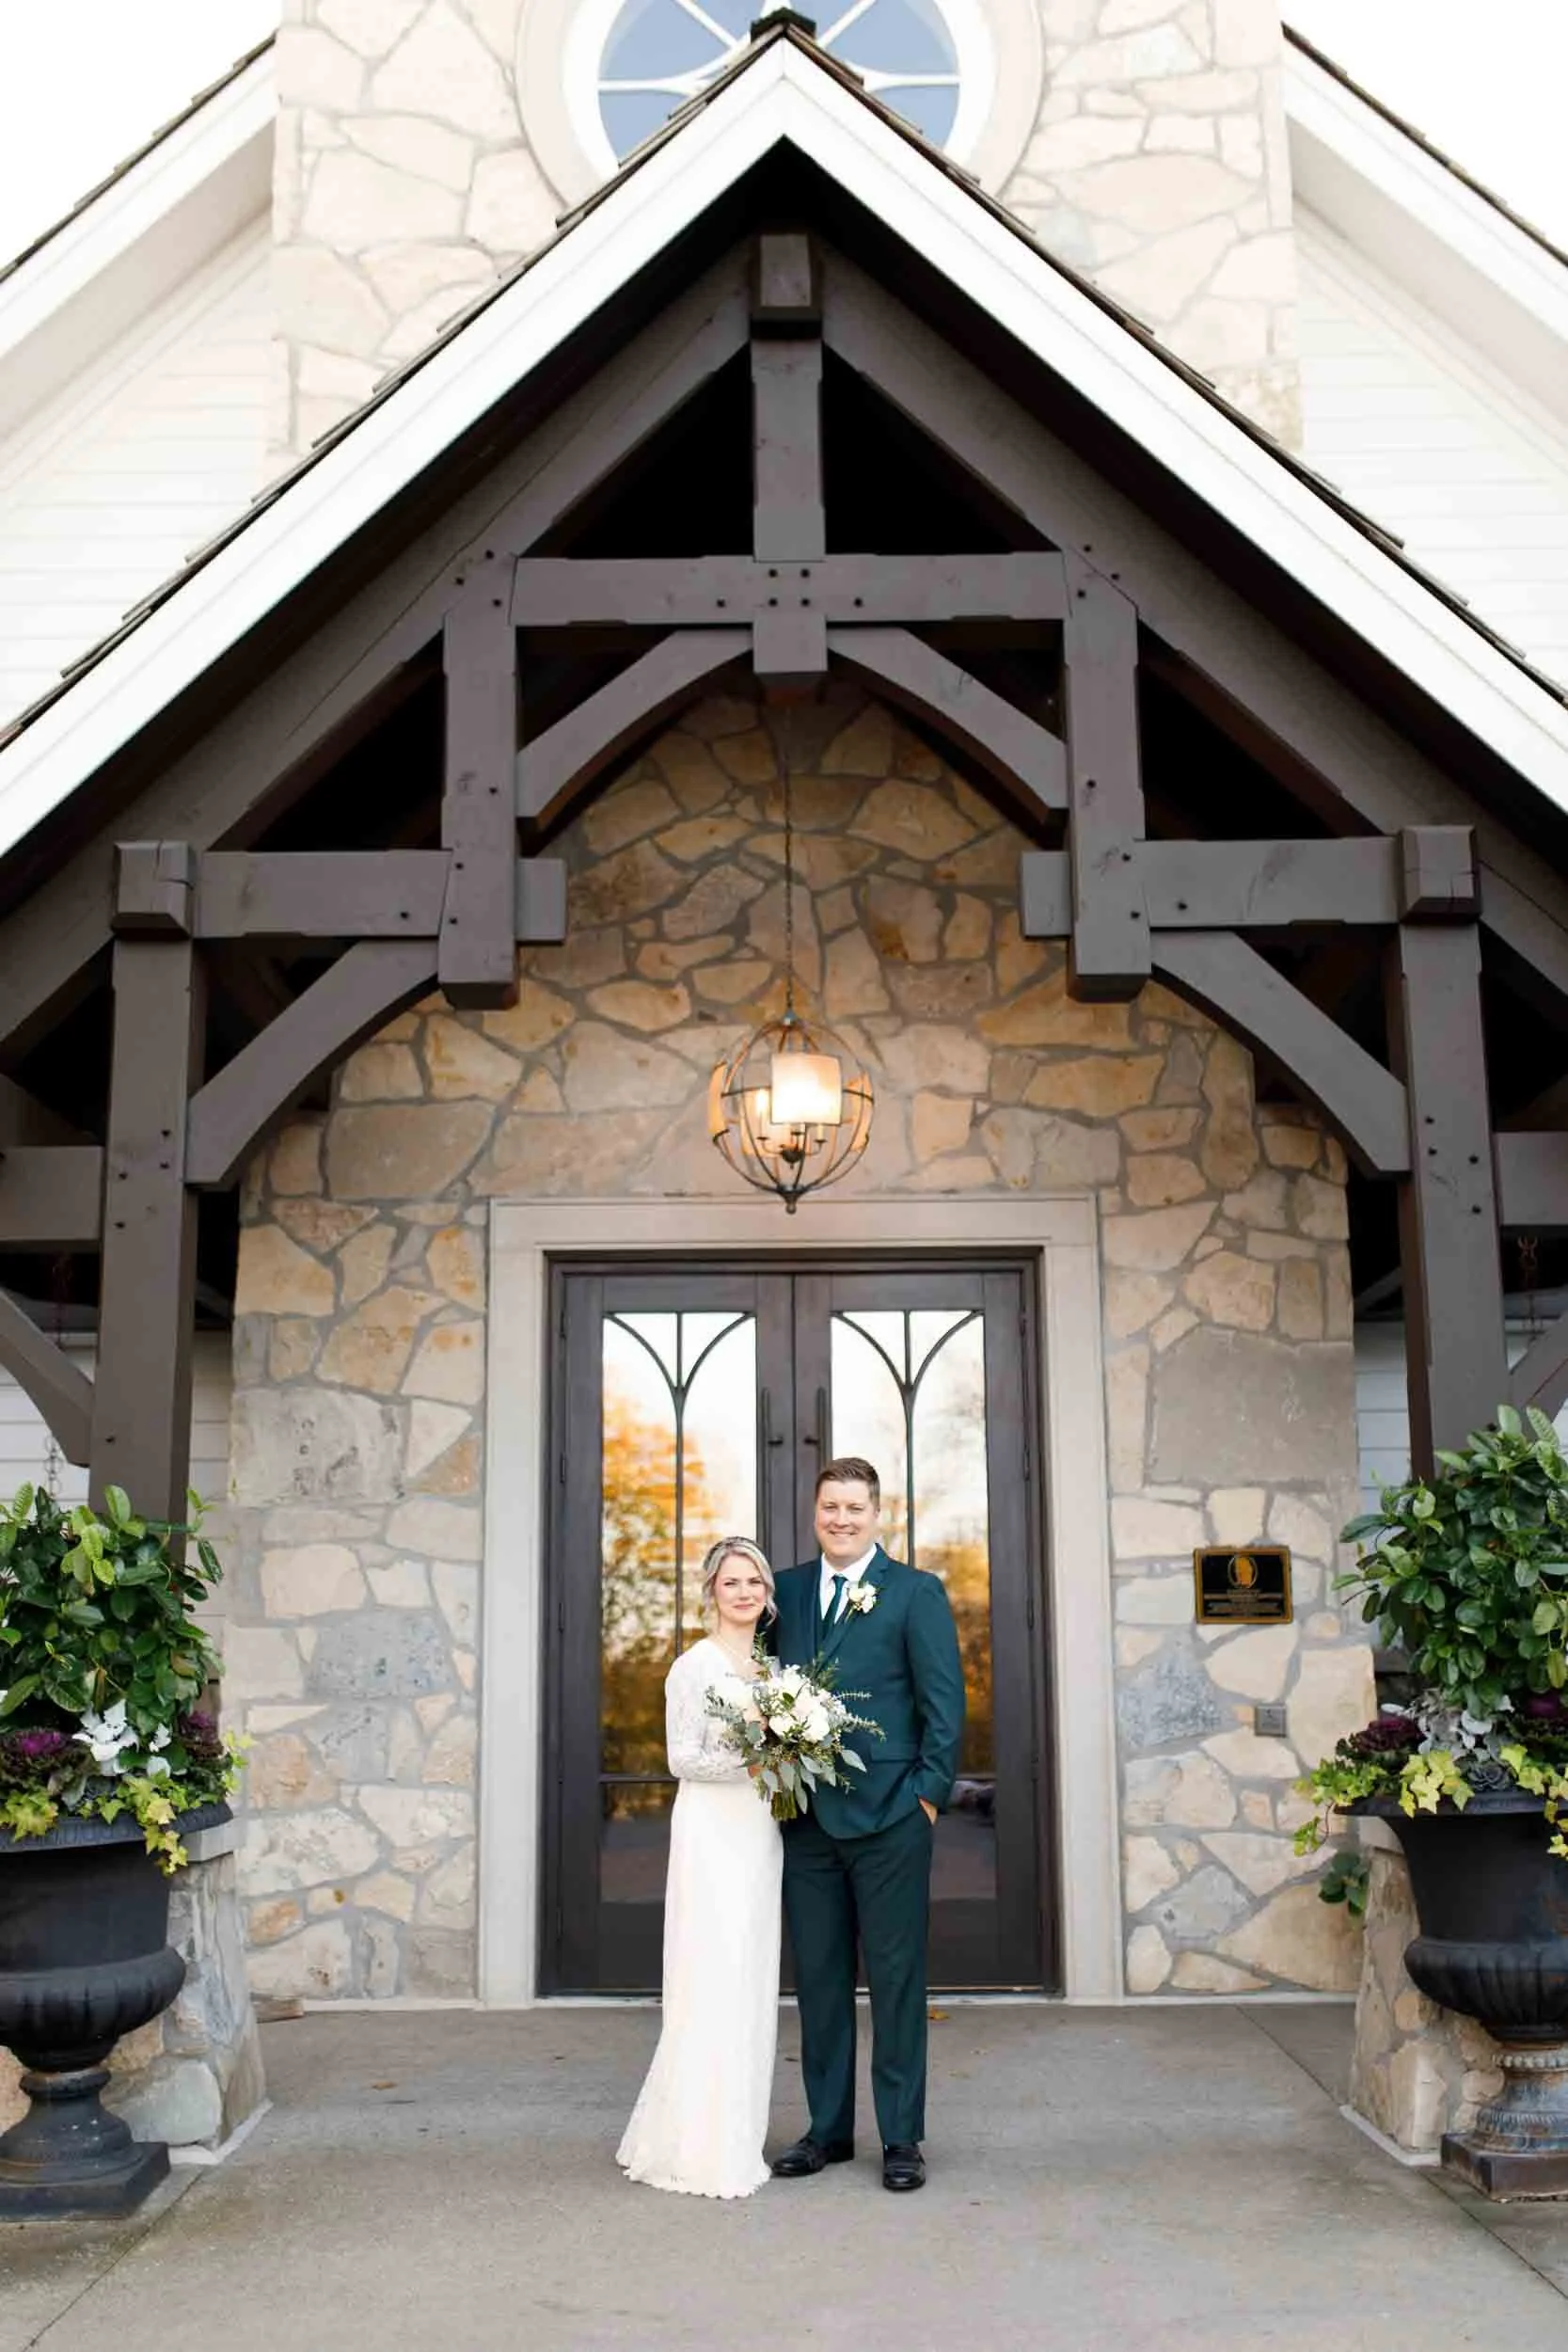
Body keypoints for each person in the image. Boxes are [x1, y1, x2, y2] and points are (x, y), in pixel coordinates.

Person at [769, 1456, 965, 2194]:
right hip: (806, 1821)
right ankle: (826, 2131)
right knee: (817, 1983)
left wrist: (927, 1796)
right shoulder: (783, 1591)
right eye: (829, 1507)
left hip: (890, 1817)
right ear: (814, 1512)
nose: (841, 1520)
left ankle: (901, 2138)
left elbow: (943, 1701)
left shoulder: (915, 1592)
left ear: (878, 1514)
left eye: (854, 1508)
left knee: (894, 1982)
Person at [616, 1535, 783, 2199]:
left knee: (749, 1973)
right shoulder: (694, 1665)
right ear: (710, 1591)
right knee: (711, 1970)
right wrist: (755, 1761)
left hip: (758, 1830)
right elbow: (681, 1758)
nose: (744, 1593)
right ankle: (695, 2142)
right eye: (732, 1582)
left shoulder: (772, 1673)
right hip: (712, 1830)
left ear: (767, 1596)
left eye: (755, 1584)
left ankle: (736, 2130)